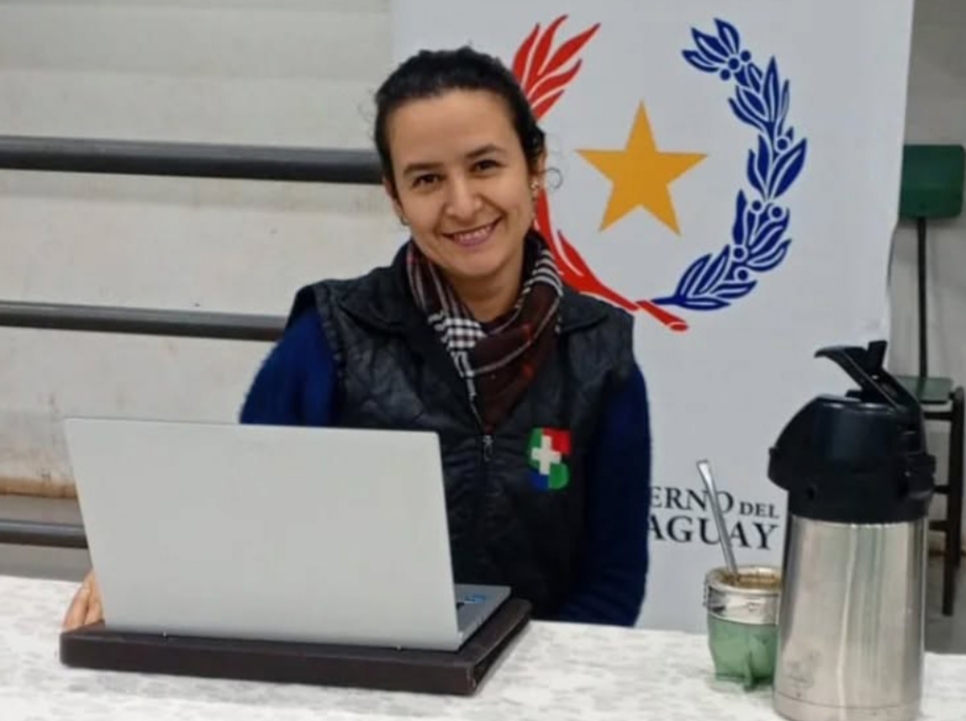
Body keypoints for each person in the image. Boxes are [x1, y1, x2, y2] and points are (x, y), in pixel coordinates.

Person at [63, 46, 652, 632]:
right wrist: (143, 569)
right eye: (427, 179)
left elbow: (612, 585)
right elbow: (244, 509)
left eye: (484, 166)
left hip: (533, 675)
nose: (462, 203)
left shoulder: (600, 355)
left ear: (534, 165)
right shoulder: (329, 337)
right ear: (395, 197)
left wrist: (516, 679)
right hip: (359, 662)